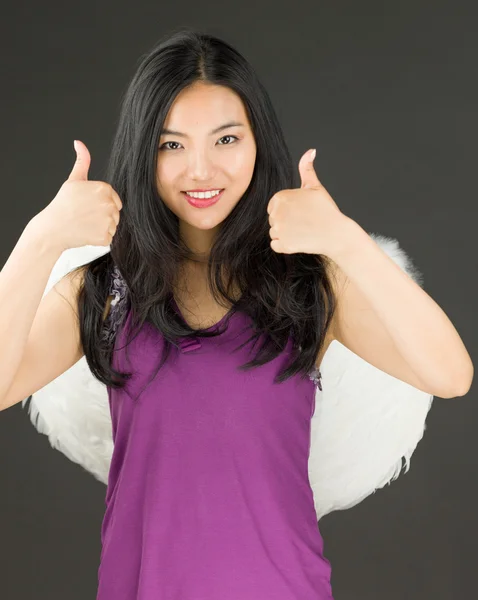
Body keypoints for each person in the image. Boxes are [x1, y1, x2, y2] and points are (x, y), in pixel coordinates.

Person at [0, 28, 472, 600]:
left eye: (225, 139)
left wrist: (346, 241)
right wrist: (40, 238)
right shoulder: (103, 289)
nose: (201, 170)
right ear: (141, 151)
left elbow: (450, 375)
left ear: (257, 142)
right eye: (171, 145)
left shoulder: (308, 283)